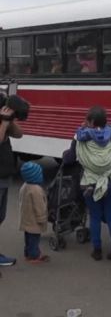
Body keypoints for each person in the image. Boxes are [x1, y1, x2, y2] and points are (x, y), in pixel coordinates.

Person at [63, 106, 111, 262]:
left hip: (90, 183)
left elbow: (70, 158)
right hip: (110, 181)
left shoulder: (81, 138)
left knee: (95, 217)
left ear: (90, 121)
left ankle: (97, 250)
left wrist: (77, 136)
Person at [0, 103, 23, 269]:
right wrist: (4, 123)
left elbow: (19, 134)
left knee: (0, 217)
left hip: (5, 177)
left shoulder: (4, 122)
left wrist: (10, 120)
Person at [19, 162, 49, 263]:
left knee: (28, 238)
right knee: (34, 238)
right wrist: (42, 218)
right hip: (34, 220)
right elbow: (39, 206)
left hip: (26, 218)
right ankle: (34, 256)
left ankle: (28, 253)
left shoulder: (25, 186)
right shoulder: (36, 190)